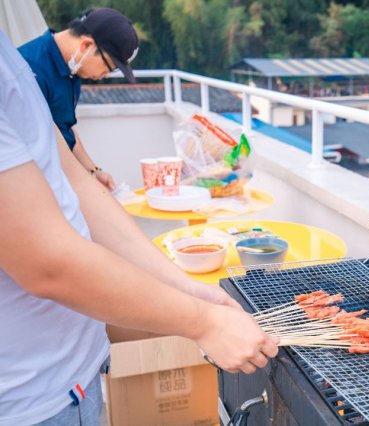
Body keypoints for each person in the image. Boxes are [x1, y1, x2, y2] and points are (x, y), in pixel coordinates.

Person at [0, 30, 278, 425]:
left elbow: (75, 183)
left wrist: (187, 287)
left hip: (71, 377)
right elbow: (46, 261)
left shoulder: (8, 54)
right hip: (27, 401)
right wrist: (202, 322)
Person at [18, 8, 140, 191]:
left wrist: (93, 170)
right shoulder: (30, 70)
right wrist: (84, 185)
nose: (105, 75)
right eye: (110, 67)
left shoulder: (72, 67)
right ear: (86, 46)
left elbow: (64, 126)